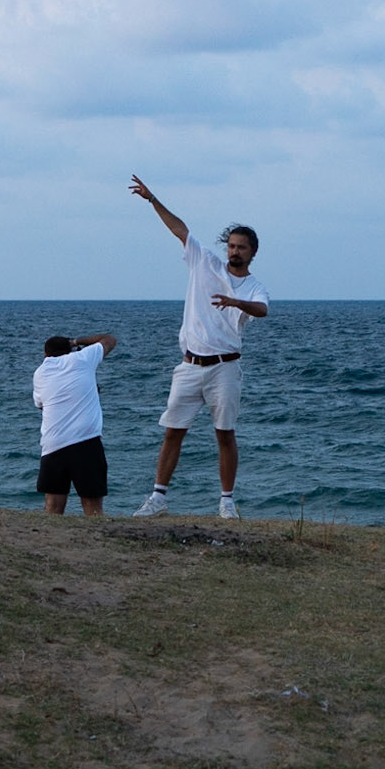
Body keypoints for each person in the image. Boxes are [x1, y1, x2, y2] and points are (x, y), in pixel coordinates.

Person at [128, 174, 269, 519]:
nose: (234, 251)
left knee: (225, 435)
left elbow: (262, 309)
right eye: (232, 246)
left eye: (241, 247)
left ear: (253, 252)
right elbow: (180, 229)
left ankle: (226, 502)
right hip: (190, 365)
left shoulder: (252, 287)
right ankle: (158, 498)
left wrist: (236, 302)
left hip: (225, 367)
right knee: (173, 432)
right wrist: (152, 199)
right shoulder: (204, 261)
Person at [33, 332, 117, 516]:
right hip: (86, 442)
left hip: (52, 445)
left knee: (53, 508)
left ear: (46, 355)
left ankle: (51, 543)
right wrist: (76, 341)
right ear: (70, 351)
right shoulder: (82, 358)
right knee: (93, 509)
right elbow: (110, 340)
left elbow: (41, 406)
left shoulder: (40, 373)